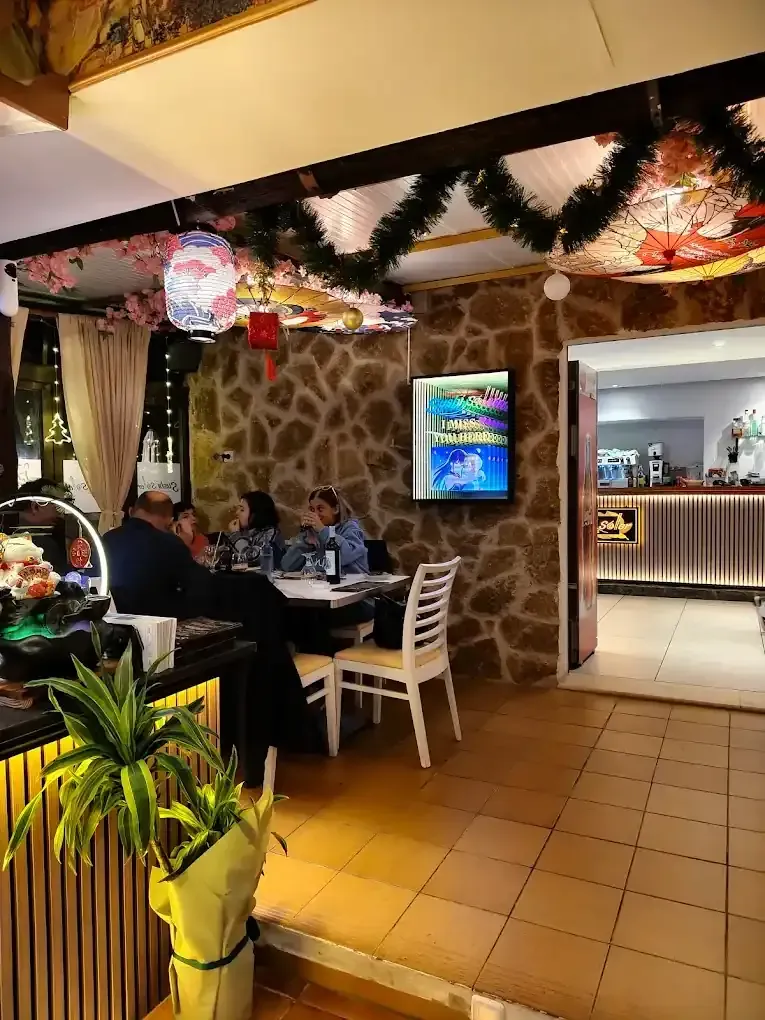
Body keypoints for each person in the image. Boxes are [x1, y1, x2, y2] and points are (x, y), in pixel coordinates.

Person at [103, 491, 208, 618]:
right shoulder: (169, 543)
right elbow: (197, 582)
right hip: (156, 623)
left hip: (114, 619)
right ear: (169, 520)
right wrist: (183, 544)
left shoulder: (108, 537)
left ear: (131, 511)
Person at [282, 485, 368, 574]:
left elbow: (346, 556)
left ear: (335, 509)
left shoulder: (350, 528)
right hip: (319, 584)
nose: (315, 514)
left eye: (320, 509)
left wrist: (322, 530)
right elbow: (287, 566)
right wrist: (305, 542)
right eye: (312, 509)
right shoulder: (311, 532)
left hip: (350, 584)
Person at [12, 477, 70, 574]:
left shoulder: (8, 538)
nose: (60, 514)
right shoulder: (45, 544)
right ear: (36, 507)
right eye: (56, 507)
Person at [228, 491, 285, 568]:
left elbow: (253, 558)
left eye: (242, 510)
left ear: (256, 514)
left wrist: (236, 536)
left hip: (265, 579)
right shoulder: (242, 533)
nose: (237, 513)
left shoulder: (270, 533)